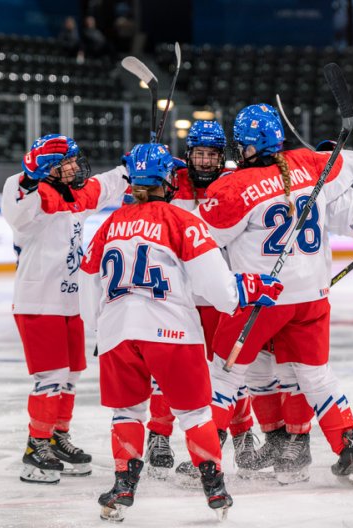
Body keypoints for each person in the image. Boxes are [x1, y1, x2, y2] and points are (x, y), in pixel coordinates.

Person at [197, 103, 353, 486]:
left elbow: (200, 241)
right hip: (311, 297)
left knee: (224, 376)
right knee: (317, 378)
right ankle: (349, 453)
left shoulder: (234, 186)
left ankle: (206, 463)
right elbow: (352, 168)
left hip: (262, 298)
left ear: (245, 147)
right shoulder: (313, 167)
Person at [78, 143, 283, 522]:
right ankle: (215, 489)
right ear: (167, 180)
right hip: (171, 332)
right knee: (194, 414)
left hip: (116, 333)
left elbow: (88, 285)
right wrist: (247, 287)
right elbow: (221, 292)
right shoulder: (181, 221)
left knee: (126, 412)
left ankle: (124, 487)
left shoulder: (108, 225)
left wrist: (99, 328)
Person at [1, 134, 128, 484]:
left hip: (70, 301)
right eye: (67, 163)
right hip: (38, 301)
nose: (75, 167)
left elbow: (102, 187)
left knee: (70, 376)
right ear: (48, 170)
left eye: (74, 160)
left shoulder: (73, 196)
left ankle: (57, 438)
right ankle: (35, 446)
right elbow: (17, 203)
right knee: (52, 377)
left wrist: (129, 168)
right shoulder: (32, 196)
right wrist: (29, 176)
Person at [138, 121, 259, 480]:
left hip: (225, 295)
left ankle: (242, 437)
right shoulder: (171, 181)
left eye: (212, 155)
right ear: (188, 153)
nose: (205, 161)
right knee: (167, 372)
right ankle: (157, 436)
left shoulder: (235, 183)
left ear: (224, 156)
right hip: (179, 297)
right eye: (199, 154)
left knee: (230, 372)